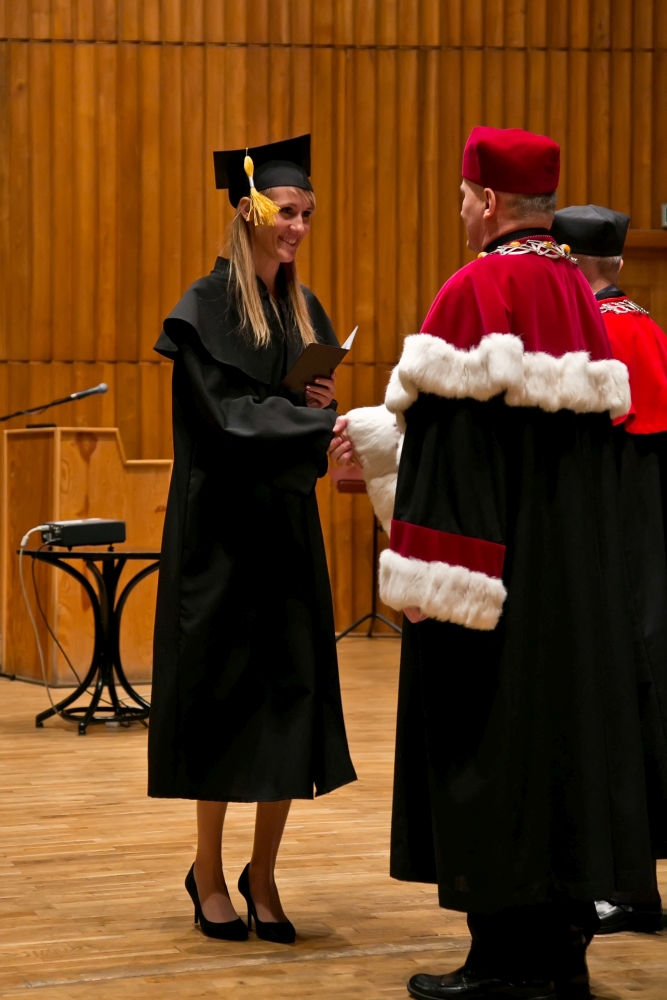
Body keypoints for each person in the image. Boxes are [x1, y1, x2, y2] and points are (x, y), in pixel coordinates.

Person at [331, 126, 666, 1000]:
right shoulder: (579, 296)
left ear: (485, 200)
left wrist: (426, 579)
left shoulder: (478, 289)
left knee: (490, 757)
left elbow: (456, 461)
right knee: (558, 761)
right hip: (567, 590)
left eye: (460, 197)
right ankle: (558, 957)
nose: (460, 211)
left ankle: (503, 963)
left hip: (491, 589)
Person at [148, 134, 356, 945]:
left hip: (284, 530)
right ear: (248, 211)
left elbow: (296, 418)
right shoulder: (205, 306)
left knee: (289, 699)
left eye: (307, 213)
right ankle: (206, 872)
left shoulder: (304, 310)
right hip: (220, 535)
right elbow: (227, 420)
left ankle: (262, 872)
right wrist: (312, 420)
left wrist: (319, 406)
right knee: (222, 701)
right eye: (285, 211)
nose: (298, 226)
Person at [551, 205, 667, 936]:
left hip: (609, 549)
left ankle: (626, 887)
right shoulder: (648, 326)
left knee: (615, 710)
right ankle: (637, 888)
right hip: (651, 547)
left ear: (565, 264)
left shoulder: (588, 334)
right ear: (618, 262)